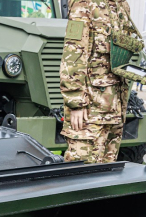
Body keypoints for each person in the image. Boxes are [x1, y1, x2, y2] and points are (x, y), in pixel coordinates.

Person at [59, 0, 140, 163]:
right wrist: (76, 102)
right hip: (90, 110)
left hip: (116, 108)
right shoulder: (85, 4)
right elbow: (73, 54)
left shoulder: (122, 6)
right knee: (81, 169)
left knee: (107, 171)